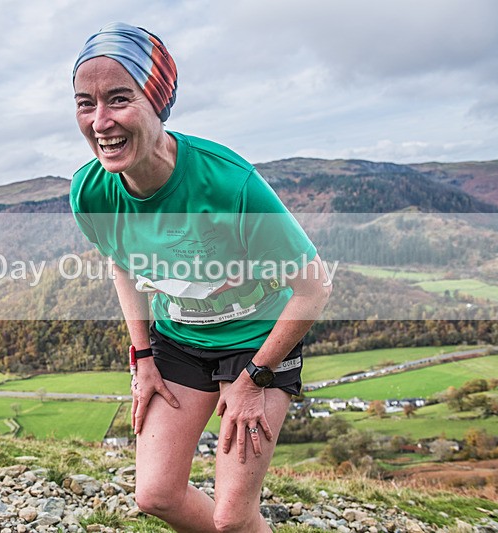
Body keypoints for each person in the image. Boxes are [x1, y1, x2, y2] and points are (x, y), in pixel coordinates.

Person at [69, 22, 331, 533]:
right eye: (85, 103)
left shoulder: (230, 184)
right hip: (179, 341)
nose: (100, 121)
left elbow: (314, 288)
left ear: (157, 102)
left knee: (232, 518)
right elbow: (123, 265)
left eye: (119, 99)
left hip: (257, 342)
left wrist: (254, 379)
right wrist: (142, 357)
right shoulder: (91, 193)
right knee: (156, 495)